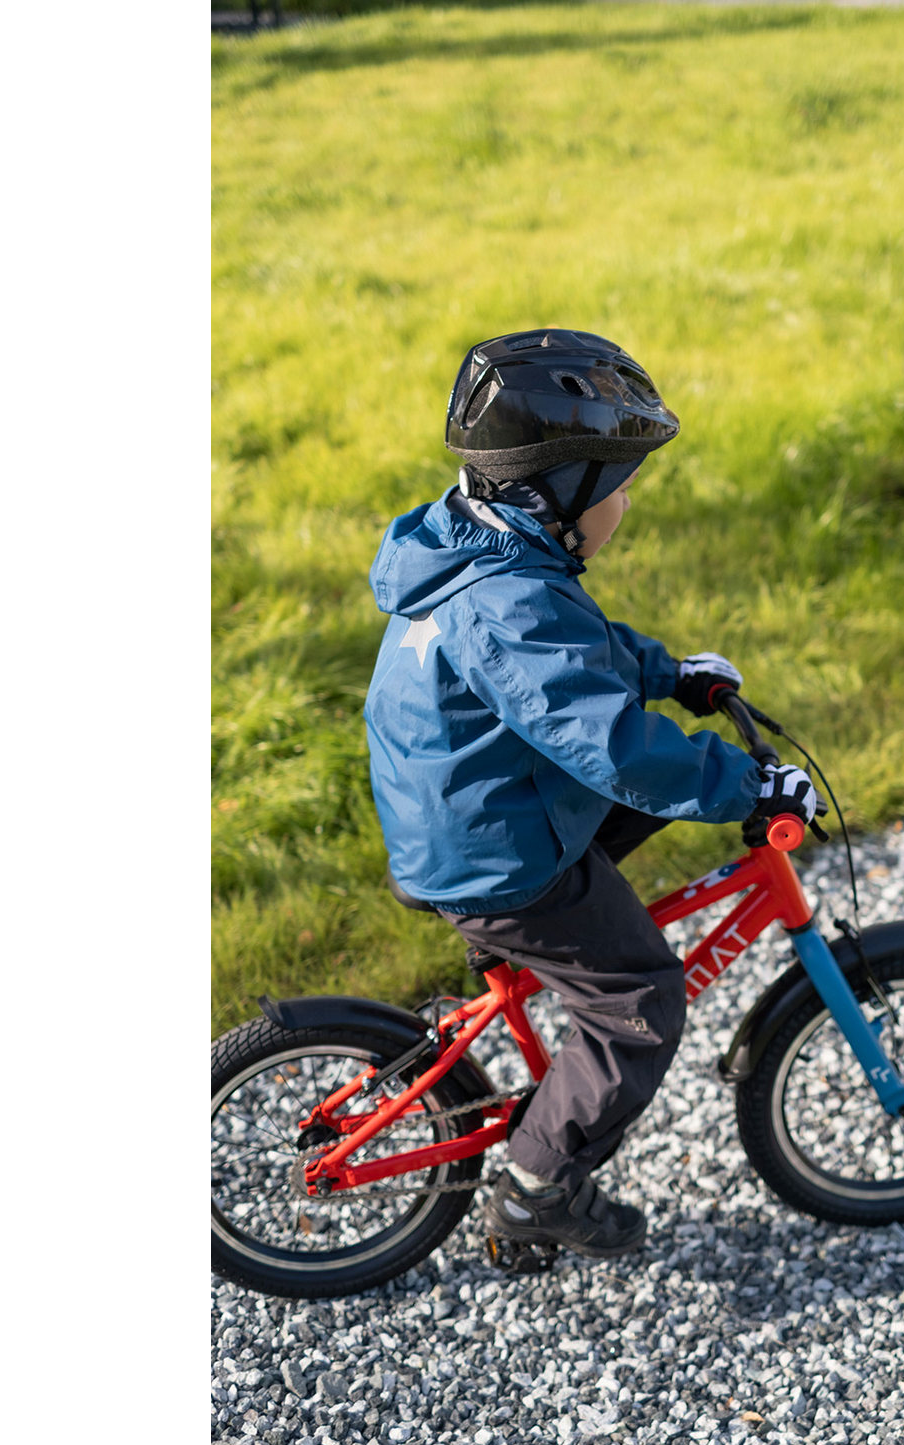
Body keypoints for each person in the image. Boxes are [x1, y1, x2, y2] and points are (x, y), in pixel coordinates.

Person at [363, 328, 820, 1259]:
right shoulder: (508, 602)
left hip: (473, 809)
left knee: (654, 792)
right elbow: (609, 743)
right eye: (617, 488)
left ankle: (554, 956)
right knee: (639, 999)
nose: (625, 506)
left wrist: (668, 674)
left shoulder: (488, 551)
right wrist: (747, 785)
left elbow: (577, 653)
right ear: (559, 490)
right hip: (492, 857)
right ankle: (537, 1192)